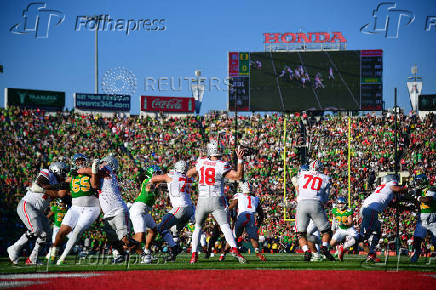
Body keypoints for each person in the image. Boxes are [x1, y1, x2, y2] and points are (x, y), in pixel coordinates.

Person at [186, 141, 246, 264]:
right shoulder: (221, 164)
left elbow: (188, 174)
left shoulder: (201, 162)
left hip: (202, 199)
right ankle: (234, 249)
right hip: (217, 198)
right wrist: (240, 160)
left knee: (197, 227)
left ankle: (194, 256)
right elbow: (238, 176)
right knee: (225, 226)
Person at [79, 155, 141, 263]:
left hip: (118, 210)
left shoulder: (107, 170)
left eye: (103, 162)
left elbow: (87, 170)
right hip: (108, 213)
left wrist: (80, 170)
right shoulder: (103, 174)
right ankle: (120, 256)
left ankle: (144, 254)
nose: (101, 164)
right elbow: (94, 184)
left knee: (124, 239)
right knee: (113, 240)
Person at [7, 162, 70, 265]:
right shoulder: (47, 173)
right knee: (35, 229)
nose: (64, 175)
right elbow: (41, 184)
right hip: (27, 204)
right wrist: (57, 187)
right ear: (56, 170)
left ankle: (33, 258)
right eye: (63, 172)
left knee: (46, 234)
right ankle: (14, 248)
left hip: (38, 211)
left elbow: (60, 195)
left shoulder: (58, 184)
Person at [48, 154, 101, 265]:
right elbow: (62, 193)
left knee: (77, 231)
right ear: (74, 163)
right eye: (77, 162)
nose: (80, 163)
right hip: (76, 208)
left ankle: (62, 257)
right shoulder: (71, 177)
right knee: (62, 231)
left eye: (82, 161)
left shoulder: (92, 172)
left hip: (91, 208)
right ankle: (52, 254)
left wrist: (83, 171)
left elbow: (95, 185)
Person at [149, 160, 195, 261]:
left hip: (180, 208)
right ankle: (173, 256)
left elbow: (155, 179)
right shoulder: (188, 178)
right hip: (190, 209)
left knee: (160, 227)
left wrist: (150, 182)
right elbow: (175, 186)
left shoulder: (172, 175)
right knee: (175, 231)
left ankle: (175, 248)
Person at [359, 174, 408, 263]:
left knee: (377, 231)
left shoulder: (382, 189)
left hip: (367, 208)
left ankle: (371, 254)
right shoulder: (390, 185)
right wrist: (407, 188)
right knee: (365, 235)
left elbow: (389, 204)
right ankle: (348, 243)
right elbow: (397, 188)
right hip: (372, 210)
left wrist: (404, 207)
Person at [295, 160, 335, 262]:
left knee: (300, 233)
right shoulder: (325, 178)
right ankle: (324, 247)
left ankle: (306, 251)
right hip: (316, 204)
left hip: (301, 204)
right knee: (326, 231)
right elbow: (326, 198)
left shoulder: (303, 174)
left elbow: (297, 186)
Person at [222, 181, 266, 261]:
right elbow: (261, 214)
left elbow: (231, 206)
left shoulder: (239, 195)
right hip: (251, 217)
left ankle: (223, 254)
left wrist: (225, 211)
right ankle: (257, 252)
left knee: (233, 237)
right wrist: (258, 224)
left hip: (242, 216)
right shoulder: (255, 198)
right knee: (253, 238)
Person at [129, 165, 161, 264]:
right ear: (152, 174)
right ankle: (120, 247)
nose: (159, 175)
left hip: (145, 210)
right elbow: (148, 187)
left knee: (154, 230)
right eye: (157, 173)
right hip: (138, 209)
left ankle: (147, 250)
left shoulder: (156, 184)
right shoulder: (149, 181)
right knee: (140, 237)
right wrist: (152, 186)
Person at [410, 174, 436, 262]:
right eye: (416, 181)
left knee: (435, 240)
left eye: (419, 181)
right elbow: (418, 204)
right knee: (417, 238)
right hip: (422, 216)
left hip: (432, 216)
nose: (417, 183)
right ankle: (417, 253)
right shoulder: (419, 190)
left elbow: (428, 200)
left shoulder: (431, 188)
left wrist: (417, 197)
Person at [330, 196, 359, 261]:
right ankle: (339, 248)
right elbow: (334, 220)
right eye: (339, 203)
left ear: (345, 204)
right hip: (340, 229)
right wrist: (333, 229)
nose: (340, 205)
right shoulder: (334, 210)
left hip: (349, 229)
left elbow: (350, 223)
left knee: (355, 239)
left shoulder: (348, 210)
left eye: (342, 203)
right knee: (332, 243)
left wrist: (344, 224)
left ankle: (342, 248)